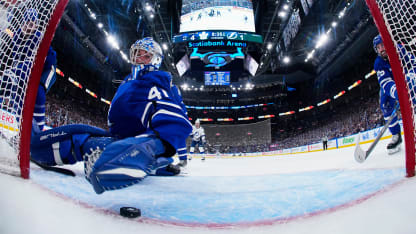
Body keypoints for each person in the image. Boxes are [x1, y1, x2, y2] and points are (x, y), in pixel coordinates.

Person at [30, 37, 193, 194]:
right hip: (118, 136)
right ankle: (37, 149)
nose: (138, 58)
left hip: (133, 141)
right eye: (137, 53)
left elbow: (175, 121)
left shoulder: (156, 83)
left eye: (145, 55)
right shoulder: (129, 82)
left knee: (91, 146)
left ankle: (145, 162)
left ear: (155, 59)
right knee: (75, 133)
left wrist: (153, 147)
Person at [373, 34, 402, 154]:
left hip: (405, 80)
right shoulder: (378, 63)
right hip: (391, 87)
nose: (381, 49)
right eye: (378, 47)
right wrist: (398, 93)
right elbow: (385, 83)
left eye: (382, 45)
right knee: (385, 104)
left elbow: (412, 65)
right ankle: (396, 135)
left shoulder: (400, 50)